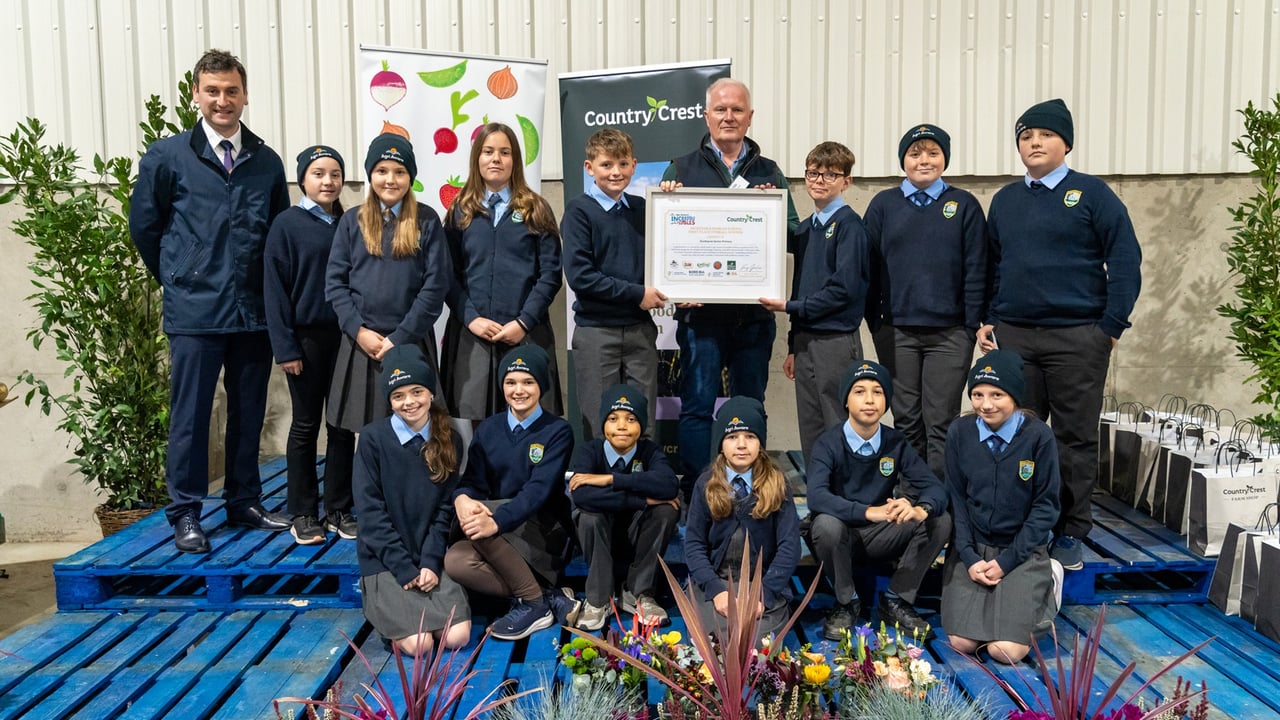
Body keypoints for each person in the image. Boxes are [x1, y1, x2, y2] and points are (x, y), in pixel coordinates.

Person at [129, 49, 291, 553]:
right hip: (196, 312)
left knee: (249, 411)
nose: (223, 100)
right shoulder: (168, 157)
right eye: (213, 91)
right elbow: (145, 228)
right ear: (196, 95)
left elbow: (279, 234)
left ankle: (244, 501)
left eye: (232, 91)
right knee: (192, 415)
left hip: (252, 313)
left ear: (245, 95)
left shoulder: (265, 161)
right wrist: (180, 276)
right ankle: (186, 512)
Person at [976, 99, 1142, 571]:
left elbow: (1127, 262)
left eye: (1044, 135)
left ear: (1065, 142)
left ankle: (1071, 529)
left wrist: (1109, 329)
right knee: (1014, 432)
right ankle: (1017, 525)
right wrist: (989, 318)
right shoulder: (1006, 200)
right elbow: (993, 266)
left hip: (1077, 337)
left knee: (1073, 438)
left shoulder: (1092, 195)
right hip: (1016, 337)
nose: (1034, 143)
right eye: (1026, 137)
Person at [659, 78, 800, 486]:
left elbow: (792, 233)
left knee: (749, 406)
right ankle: (700, 490)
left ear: (750, 117)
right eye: (720, 109)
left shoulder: (769, 172)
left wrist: (768, 211)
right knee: (698, 406)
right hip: (700, 318)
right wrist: (669, 200)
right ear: (706, 116)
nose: (728, 117)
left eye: (737, 110)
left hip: (753, 315)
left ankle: (750, 488)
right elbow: (665, 239)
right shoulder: (681, 168)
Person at [325, 133, 452, 512]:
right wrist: (358, 330)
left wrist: (400, 337)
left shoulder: (427, 220)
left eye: (399, 171)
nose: (390, 179)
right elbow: (335, 283)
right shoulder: (351, 222)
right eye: (381, 170)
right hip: (360, 341)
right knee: (363, 429)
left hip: (409, 343)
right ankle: (358, 507)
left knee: (417, 425)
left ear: (410, 176)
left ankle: (416, 503)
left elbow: (436, 286)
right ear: (370, 175)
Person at [865, 124, 987, 478]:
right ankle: (909, 491)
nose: (923, 160)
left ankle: (939, 503)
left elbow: (977, 267)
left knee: (941, 420)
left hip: (950, 334)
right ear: (903, 159)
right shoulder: (883, 205)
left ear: (944, 159)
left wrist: (970, 324)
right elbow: (868, 268)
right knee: (905, 417)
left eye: (933, 153)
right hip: (897, 331)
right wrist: (877, 322)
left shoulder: (963, 205)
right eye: (915, 153)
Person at [805, 360, 950, 641]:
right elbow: (817, 496)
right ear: (846, 400)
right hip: (842, 535)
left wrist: (920, 509)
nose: (870, 400)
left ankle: (896, 600)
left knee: (940, 519)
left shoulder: (896, 442)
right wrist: (869, 511)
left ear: (886, 402)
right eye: (859, 391)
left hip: (882, 535)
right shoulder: (829, 442)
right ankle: (846, 602)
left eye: (878, 392)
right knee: (825, 524)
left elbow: (935, 489)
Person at [444, 345, 581, 640]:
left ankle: (532, 604)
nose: (518, 390)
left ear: (541, 386)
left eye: (528, 382)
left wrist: (495, 519)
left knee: (481, 521)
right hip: (498, 533)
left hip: (543, 532)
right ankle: (544, 596)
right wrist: (462, 498)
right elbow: (472, 481)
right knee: (455, 561)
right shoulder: (489, 429)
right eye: (511, 382)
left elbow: (538, 491)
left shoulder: (557, 430)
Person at [942, 350, 1062, 664]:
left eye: (997, 394)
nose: (986, 404)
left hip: (1021, 550)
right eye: (978, 394)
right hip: (975, 550)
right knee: (961, 642)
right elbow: (956, 498)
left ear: (1015, 396)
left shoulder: (1038, 436)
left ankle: (1050, 579)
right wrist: (968, 557)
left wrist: (1008, 561)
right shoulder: (960, 432)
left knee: (1004, 651)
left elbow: (1046, 506)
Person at [264, 145, 358, 545]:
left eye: (335, 174)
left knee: (341, 426)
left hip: (346, 337)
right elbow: (274, 290)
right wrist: (285, 348)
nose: (328, 181)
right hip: (305, 341)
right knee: (305, 425)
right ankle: (303, 511)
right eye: (319, 173)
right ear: (303, 178)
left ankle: (338, 508)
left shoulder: (350, 222)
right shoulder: (287, 224)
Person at [442, 122, 564, 423]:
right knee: (473, 423)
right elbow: (447, 275)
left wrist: (523, 322)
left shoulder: (536, 209)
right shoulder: (460, 210)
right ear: (477, 159)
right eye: (488, 151)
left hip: (524, 333)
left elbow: (550, 275)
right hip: (473, 336)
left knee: (527, 419)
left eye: (504, 152)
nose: (496, 159)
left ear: (515, 160)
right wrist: (471, 318)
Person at [353, 345, 471, 654]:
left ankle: (420, 611)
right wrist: (405, 569)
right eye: (398, 396)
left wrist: (431, 562)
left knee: (457, 637)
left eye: (417, 391)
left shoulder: (449, 439)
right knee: (421, 645)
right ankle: (394, 623)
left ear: (430, 393)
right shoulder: (372, 439)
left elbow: (445, 510)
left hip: (428, 556)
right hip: (387, 560)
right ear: (389, 400)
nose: (409, 402)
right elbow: (370, 514)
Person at [759, 141, 870, 462]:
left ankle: (844, 502)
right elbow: (802, 287)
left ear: (846, 182)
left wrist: (788, 308)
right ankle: (820, 500)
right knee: (810, 425)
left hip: (835, 340)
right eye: (812, 173)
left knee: (837, 420)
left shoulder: (850, 228)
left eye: (829, 175)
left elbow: (843, 290)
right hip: (806, 342)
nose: (818, 180)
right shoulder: (807, 229)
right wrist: (794, 343)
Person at [562, 128, 667, 439]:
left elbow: (669, 258)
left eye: (623, 164)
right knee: (599, 421)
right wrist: (638, 294)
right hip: (596, 331)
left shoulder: (645, 209)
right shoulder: (579, 211)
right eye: (606, 165)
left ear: (634, 166)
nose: (615, 172)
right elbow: (582, 277)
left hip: (639, 331)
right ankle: (603, 486)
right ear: (589, 167)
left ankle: (641, 483)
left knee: (643, 420)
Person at [685, 396, 800, 644]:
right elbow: (693, 544)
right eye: (732, 437)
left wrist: (763, 593)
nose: (741, 445)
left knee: (754, 641)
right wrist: (716, 590)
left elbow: (790, 546)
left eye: (750, 436)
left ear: (761, 442)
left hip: (761, 585)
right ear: (720, 443)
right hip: (715, 583)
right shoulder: (705, 484)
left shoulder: (778, 483)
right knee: (711, 639)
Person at [569, 385, 680, 630]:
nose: (621, 426)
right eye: (613, 418)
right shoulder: (589, 451)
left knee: (666, 510)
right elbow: (583, 496)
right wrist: (641, 499)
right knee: (588, 516)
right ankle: (598, 600)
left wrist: (611, 479)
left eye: (631, 419)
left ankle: (638, 593)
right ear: (603, 424)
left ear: (641, 426)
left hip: (637, 540)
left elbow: (668, 486)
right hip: (600, 541)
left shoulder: (650, 451)